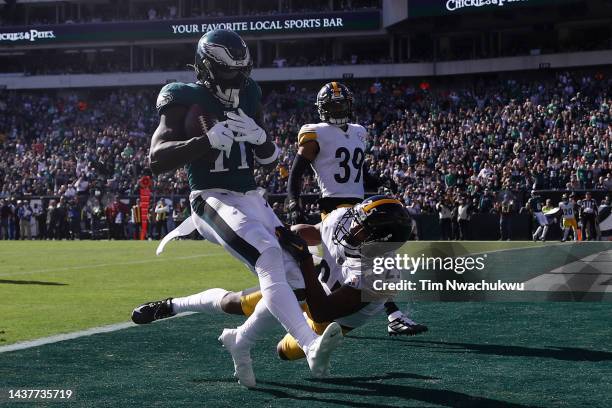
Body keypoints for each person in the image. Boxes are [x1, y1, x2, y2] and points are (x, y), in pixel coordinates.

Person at [135, 29, 343, 386]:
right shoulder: (181, 96)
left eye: (242, 70)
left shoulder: (249, 92)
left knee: (295, 273)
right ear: (208, 67)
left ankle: (240, 340)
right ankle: (310, 346)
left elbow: (266, 157)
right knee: (267, 253)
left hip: (251, 197)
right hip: (210, 197)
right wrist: (204, 141)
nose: (239, 79)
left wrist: (261, 138)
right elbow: (155, 159)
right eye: (230, 71)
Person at [284, 81, 412, 335]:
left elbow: (358, 171)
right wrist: (292, 199)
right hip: (334, 207)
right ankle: (310, 313)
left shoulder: (358, 131)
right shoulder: (315, 132)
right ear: (323, 108)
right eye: (333, 104)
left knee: (370, 263)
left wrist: (379, 180)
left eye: (341, 103)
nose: (338, 108)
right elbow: (297, 170)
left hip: (360, 206)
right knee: (357, 266)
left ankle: (390, 314)